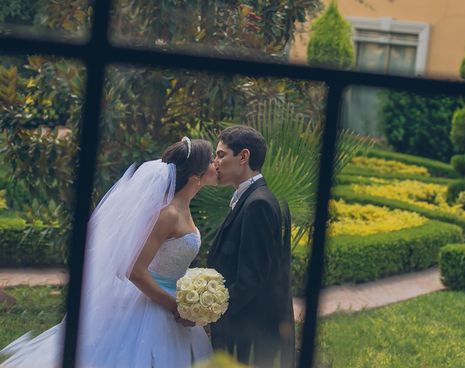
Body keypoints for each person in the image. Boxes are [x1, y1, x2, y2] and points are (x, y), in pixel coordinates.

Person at [1, 137, 218, 368]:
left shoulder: (183, 208)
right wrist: (175, 305)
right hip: (153, 307)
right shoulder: (169, 214)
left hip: (173, 305)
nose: (216, 164)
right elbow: (134, 270)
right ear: (196, 175)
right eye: (212, 160)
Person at [207, 125, 294, 368]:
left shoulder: (258, 204)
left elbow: (251, 279)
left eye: (221, 155)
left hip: (246, 333)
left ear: (243, 157)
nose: (215, 162)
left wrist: (210, 311)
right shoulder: (251, 198)